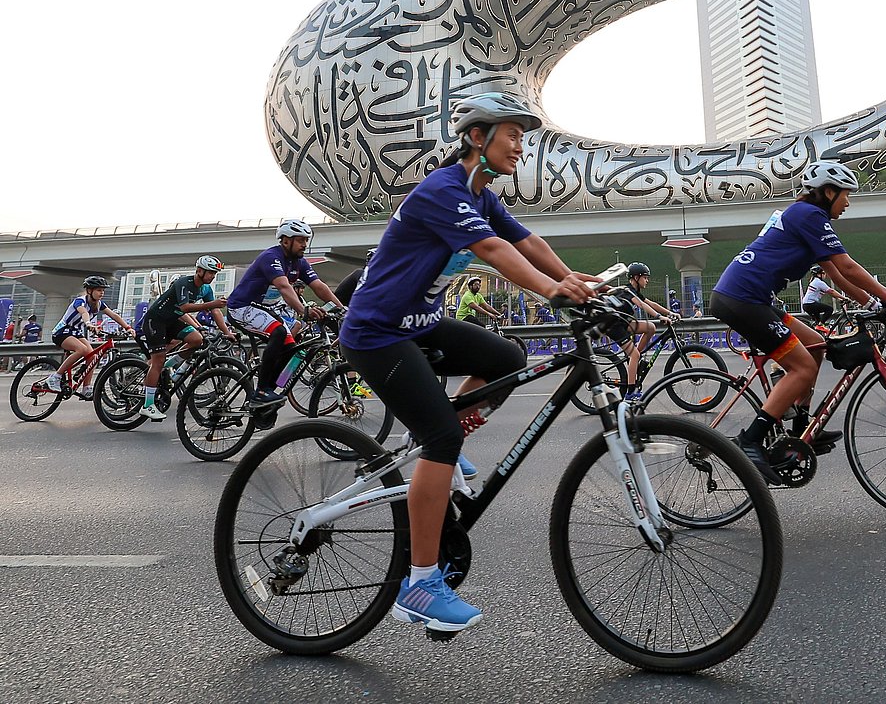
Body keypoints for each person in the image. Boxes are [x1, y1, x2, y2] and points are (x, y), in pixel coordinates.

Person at [339, 90, 597, 634]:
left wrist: (576, 279)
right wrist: (555, 292)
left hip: (421, 325)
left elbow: (526, 240)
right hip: (377, 333)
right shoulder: (443, 190)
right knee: (441, 442)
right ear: (478, 138)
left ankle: (445, 441)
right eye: (513, 135)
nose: (521, 147)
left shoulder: (482, 196)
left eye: (523, 138)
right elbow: (496, 254)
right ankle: (422, 584)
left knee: (506, 355)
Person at [709, 160, 886, 485]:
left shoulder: (803, 218)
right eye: (845, 195)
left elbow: (837, 275)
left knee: (815, 347)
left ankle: (801, 426)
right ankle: (750, 441)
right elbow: (848, 267)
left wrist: (874, 304)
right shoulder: (809, 215)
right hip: (743, 298)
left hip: (752, 297)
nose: (847, 203)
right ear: (828, 192)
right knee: (802, 368)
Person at [225, 219, 344, 425]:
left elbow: (319, 286)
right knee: (279, 332)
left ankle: (269, 392)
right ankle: (261, 391)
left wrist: (342, 310)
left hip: (263, 309)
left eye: (306, 240)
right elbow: (283, 287)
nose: (304, 245)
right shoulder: (271, 257)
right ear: (286, 241)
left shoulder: (299, 263)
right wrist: (303, 310)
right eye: (300, 240)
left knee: (291, 347)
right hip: (241, 307)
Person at [139, 256, 235, 420]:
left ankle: (166, 368)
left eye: (215, 273)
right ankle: (147, 405)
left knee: (196, 340)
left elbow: (216, 312)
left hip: (171, 321)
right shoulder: (184, 282)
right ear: (199, 271)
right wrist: (211, 304)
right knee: (158, 360)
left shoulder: (206, 289)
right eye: (211, 272)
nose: (213, 276)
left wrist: (227, 332)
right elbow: (185, 307)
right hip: (155, 320)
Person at [47, 276, 135, 394]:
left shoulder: (99, 304)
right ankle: (55, 377)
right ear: (89, 291)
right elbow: (83, 312)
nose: (102, 293)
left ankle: (86, 388)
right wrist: (88, 323)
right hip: (62, 332)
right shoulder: (80, 301)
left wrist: (128, 328)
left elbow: (114, 315)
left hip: (76, 333)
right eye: (99, 290)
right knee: (82, 349)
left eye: (103, 290)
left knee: (93, 357)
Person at [607, 262, 679, 400]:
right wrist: (659, 317)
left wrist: (670, 313)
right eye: (645, 277)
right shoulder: (627, 291)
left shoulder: (634, 291)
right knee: (634, 355)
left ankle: (636, 356)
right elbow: (642, 305)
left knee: (650, 327)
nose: (647, 280)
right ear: (636, 277)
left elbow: (652, 303)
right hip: (615, 326)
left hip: (624, 323)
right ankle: (630, 393)